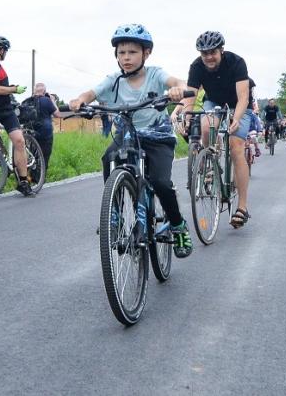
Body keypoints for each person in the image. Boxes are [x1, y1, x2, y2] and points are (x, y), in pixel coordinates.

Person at [69, 24, 193, 258]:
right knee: (109, 157)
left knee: (161, 182)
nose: (126, 57)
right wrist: (79, 100)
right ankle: (114, 215)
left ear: (146, 53)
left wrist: (178, 90)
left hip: (158, 137)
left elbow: (179, 82)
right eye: (121, 52)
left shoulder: (156, 74)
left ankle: (178, 225)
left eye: (133, 52)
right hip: (127, 134)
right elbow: (91, 93)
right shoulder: (114, 80)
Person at [175, 30, 254, 229]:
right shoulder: (196, 66)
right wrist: (186, 114)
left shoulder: (236, 62)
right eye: (204, 53)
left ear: (221, 50)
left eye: (213, 52)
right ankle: (210, 162)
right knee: (205, 126)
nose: (208, 57)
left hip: (239, 105)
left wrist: (236, 119)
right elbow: (190, 96)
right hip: (214, 103)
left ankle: (242, 207)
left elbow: (243, 96)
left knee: (236, 145)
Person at [0, 36, 34, 196]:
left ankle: (23, 181)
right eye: (5, 51)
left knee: (19, 140)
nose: (6, 54)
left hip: (6, 108)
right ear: (1, 50)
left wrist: (10, 90)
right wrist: (14, 89)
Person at [31, 82, 63, 172]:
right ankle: (41, 177)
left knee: (33, 154)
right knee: (45, 155)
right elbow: (57, 114)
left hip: (31, 132)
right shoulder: (47, 100)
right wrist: (52, 100)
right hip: (45, 132)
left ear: (34, 91)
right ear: (44, 91)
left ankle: (31, 176)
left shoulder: (28, 101)